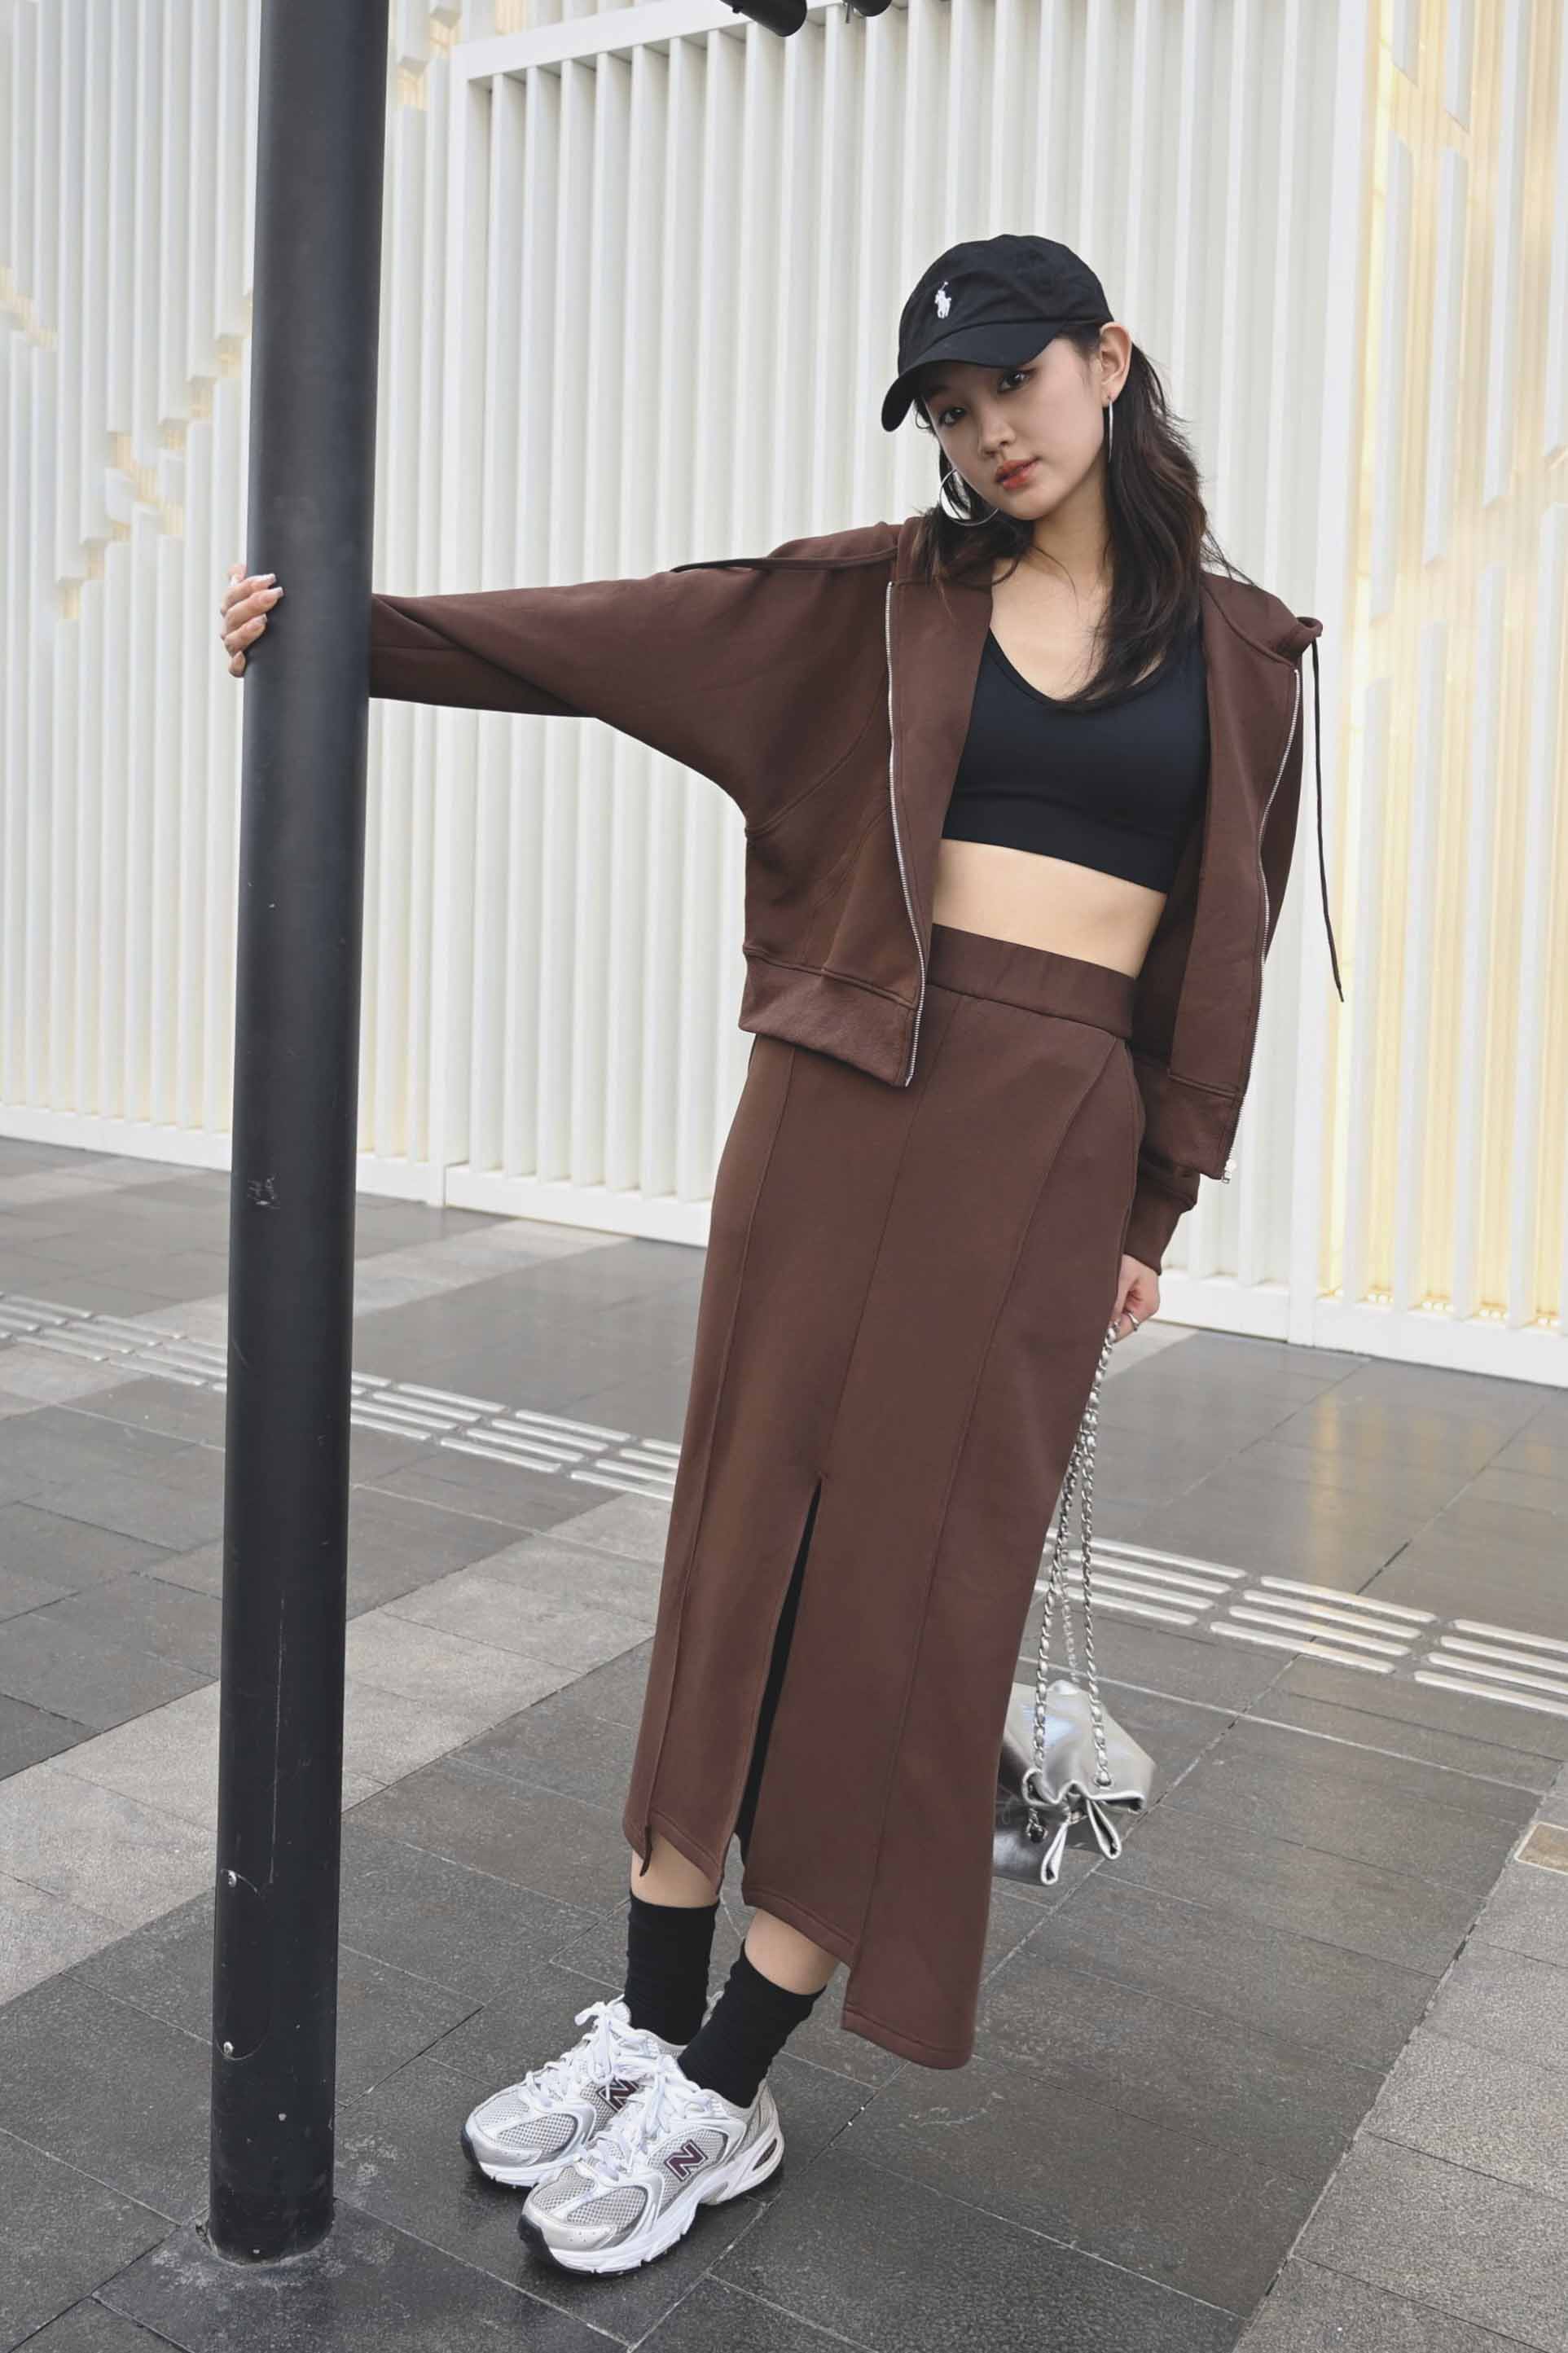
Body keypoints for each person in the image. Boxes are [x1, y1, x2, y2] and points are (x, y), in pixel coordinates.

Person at [218, 232, 1342, 2278]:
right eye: (949, 408)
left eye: (1015, 383)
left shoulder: (1250, 655)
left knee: (913, 1596)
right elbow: (625, 638)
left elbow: (1226, 951)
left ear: (1109, 361)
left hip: (1048, 1140)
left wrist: (1156, 1205)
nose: (987, 433)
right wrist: (341, 638)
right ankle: (649, 2024)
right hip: (832, 1102)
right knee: (739, 1542)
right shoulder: (880, 603)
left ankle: (729, 2078)